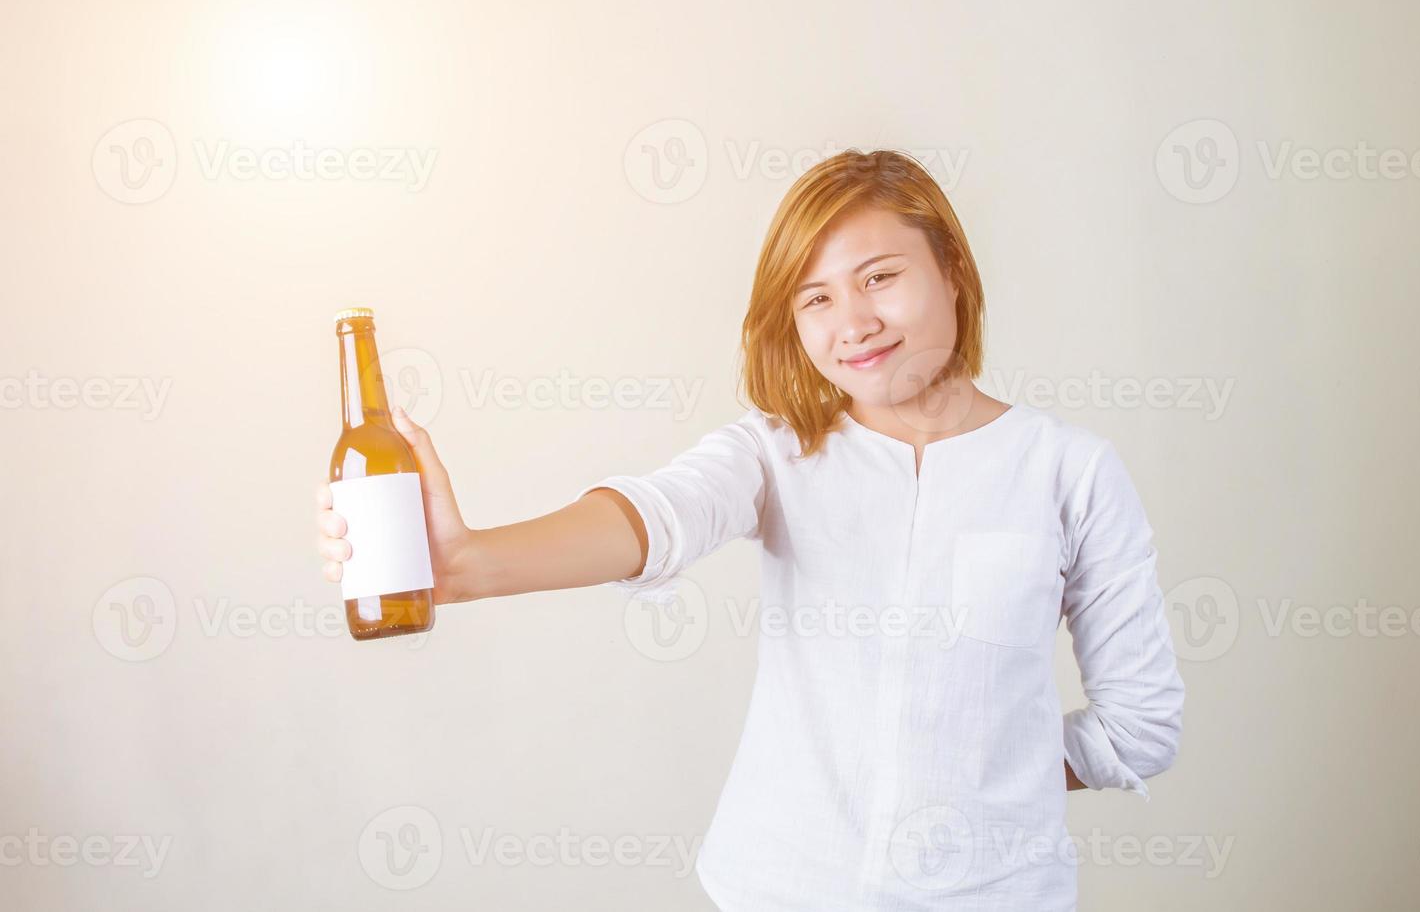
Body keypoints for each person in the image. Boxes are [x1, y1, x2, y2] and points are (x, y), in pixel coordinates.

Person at [315, 149, 1185, 910]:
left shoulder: (1069, 470)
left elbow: (1140, 727)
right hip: (779, 889)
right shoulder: (773, 456)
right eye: (816, 298)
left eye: (880, 277)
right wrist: (469, 562)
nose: (854, 323)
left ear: (951, 267)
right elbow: (652, 518)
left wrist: (991, 769)